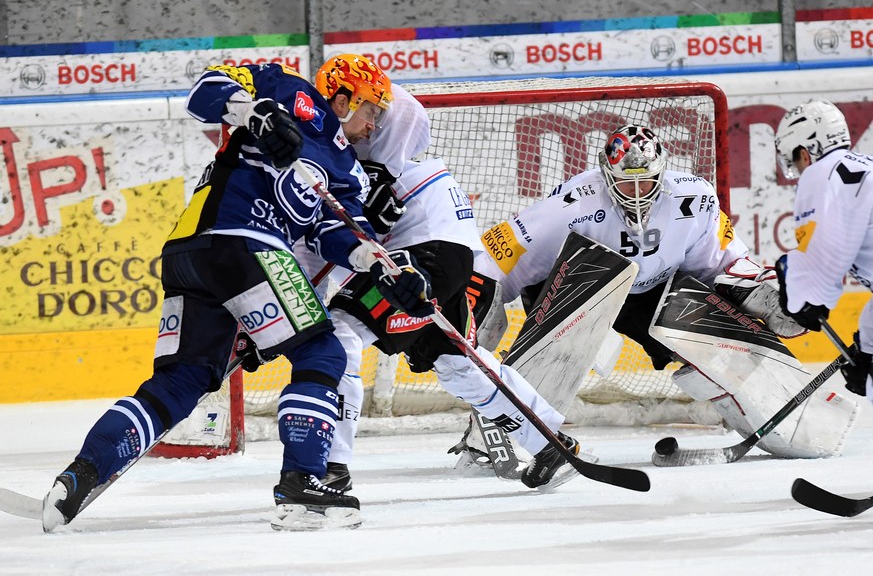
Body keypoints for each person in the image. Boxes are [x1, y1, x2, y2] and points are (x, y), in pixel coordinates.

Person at [41, 56, 433, 532]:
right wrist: (251, 112)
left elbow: (341, 234)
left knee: (180, 383)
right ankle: (303, 482)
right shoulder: (285, 86)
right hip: (240, 241)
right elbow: (204, 91)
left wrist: (392, 273)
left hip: (192, 255)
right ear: (344, 96)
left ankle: (80, 476)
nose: (375, 124)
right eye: (373, 108)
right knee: (321, 350)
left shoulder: (348, 171)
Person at [461, 124, 858, 460]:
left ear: (663, 173)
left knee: (720, 333)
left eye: (646, 182)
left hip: (648, 292)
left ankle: (801, 426)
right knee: (566, 346)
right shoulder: (573, 202)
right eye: (625, 183)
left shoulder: (694, 199)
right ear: (606, 176)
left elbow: (725, 262)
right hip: (574, 287)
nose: (636, 193)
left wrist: (768, 295)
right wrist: (477, 305)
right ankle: (493, 440)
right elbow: (498, 255)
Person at [309, 75, 579, 493]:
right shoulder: (331, 143)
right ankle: (550, 443)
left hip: (427, 251)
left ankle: (331, 467)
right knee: (459, 365)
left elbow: (407, 112)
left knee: (337, 337)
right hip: (446, 252)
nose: (373, 123)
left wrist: (380, 169)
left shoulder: (361, 109)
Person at [773, 98, 873, 404]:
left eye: (796, 159)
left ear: (805, 151)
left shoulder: (822, 174)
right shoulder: (866, 164)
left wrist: (805, 295)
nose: (800, 168)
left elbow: (823, 249)